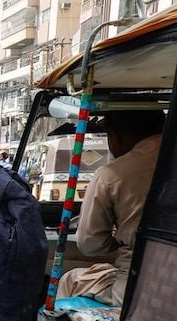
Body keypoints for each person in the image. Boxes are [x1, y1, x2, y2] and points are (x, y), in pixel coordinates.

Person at [57, 110, 165, 306]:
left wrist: (120, 239)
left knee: (71, 280)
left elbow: (90, 243)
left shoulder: (112, 175)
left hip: (136, 286)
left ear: (115, 136)